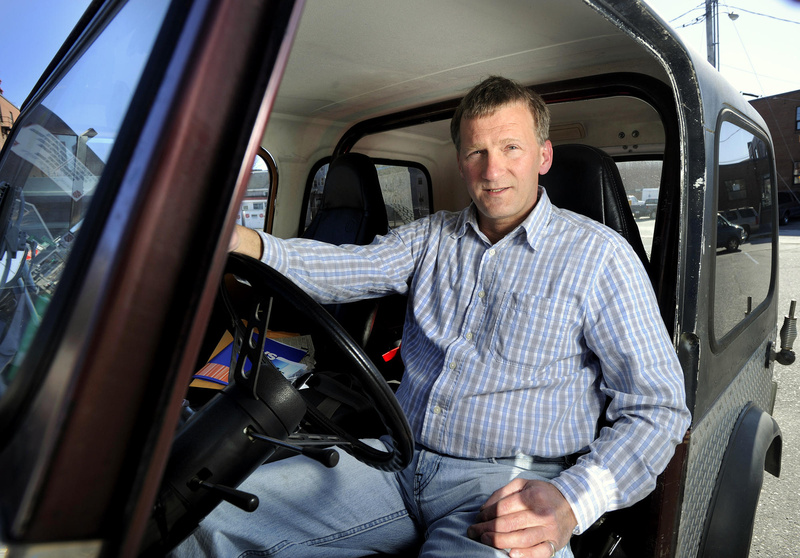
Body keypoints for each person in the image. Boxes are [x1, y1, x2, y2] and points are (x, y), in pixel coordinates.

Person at [175, 76, 690, 558]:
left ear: (543, 156)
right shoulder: (431, 236)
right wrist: (247, 244)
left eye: (511, 147)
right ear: (462, 161)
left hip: (508, 484)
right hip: (394, 461)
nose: (493, 170)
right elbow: (349, 266)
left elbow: (658, 409)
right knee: (199, 518)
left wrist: (572, 501)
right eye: (477, 152)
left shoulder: (600, 257)